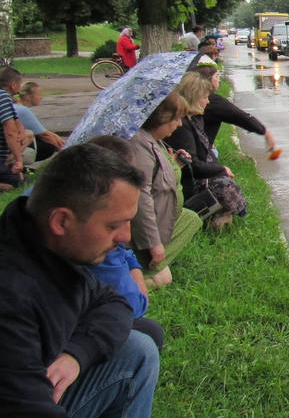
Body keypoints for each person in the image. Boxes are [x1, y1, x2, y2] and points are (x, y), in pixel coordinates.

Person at [0, 143, 160, 417]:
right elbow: (27, 408)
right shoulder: (11, 295)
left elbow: (115, 304)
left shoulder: (44, 247)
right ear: (61, 221)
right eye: (113, 225)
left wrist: (76, 355)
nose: (125, 236)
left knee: (138, 348)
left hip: (35, 387)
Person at [85, 135, 166, 351]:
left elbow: (125, 251)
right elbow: (134, 305)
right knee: (147, 335)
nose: (125, 236)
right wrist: (138, 283)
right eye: (115, 225)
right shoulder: (93, 241)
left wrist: (132, 266)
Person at [129, 92, 203, 285]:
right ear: (160, 118)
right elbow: (142, 196)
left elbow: (155, 175)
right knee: (162, 279)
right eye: (176, 119)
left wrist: (174, 165)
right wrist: (153, 244)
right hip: (146, 230)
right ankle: (127, 283)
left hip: (163, 218)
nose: (179, 124)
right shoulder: (140, 145)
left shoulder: (153, 139)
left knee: (191, 219)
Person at [166, 72, 246, 228]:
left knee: (224, 181)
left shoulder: (194, 118)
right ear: (192, 97)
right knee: (223, 186)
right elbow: (193, 164)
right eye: (204, 97)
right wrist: (220, 169)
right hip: (187, 182)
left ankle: (220, 219)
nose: (208, 102)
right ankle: (213, 222)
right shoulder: (182, 126)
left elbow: (205, 149)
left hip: (195, 175)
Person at [191, 64, 277, 153]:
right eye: (216, 76)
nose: (219, 80)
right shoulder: (212, 100)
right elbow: (240, 117)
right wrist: (265, 132)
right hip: (198, 153)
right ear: (208, 80)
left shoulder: (192, 96)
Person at [15, 82, 65, 165]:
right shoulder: (23, 110)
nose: (41, 97)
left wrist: (57, 138)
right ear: (29, 97)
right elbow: (44, 135)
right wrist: (66, 150)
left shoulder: (16, 106)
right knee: (48, 146)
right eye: (39, 94)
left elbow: (42, 131)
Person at [0, 67, 28, 190]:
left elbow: (15, 120)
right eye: (20, 84)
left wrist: (20, 127)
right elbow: (10, 132)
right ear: (13, 85)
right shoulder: (3, 97)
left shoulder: (5, 97)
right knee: (19, 183)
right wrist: (19, 160)